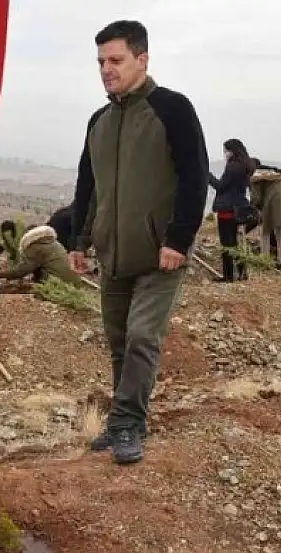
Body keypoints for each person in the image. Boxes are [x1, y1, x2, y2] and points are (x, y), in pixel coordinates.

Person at [66, 20, 208, 465]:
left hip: (160, 255)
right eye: (101, 62)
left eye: (116, 60)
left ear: (142, 59)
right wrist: (79, 241)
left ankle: (125, 424)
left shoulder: (172, 109)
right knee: (119, 340)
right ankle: (129, 419)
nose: (107, 69)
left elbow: (195, 176)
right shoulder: (99, 121)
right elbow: (87, 187)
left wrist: (178, 240)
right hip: (114, 254)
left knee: (144, 336)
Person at [208, 139, 255, 282]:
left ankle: (228, 276)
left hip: (227, 210)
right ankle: (242, 273)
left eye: (225, 151)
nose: (225, 154)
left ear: (232, 151)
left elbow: (221, 186)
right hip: (239, 209)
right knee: (236, 243)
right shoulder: (246, 166)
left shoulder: (232, 167)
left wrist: (208, 176)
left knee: (227, 244)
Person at [0, 224, 87, 288]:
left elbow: (22, 270)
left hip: (60, 284)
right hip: (75, 284)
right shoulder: (53, 243)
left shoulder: (35, 247)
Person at [249, 163, 281, 269]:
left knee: (265, 231)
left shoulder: (255, 178)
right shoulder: (274, 173)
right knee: (280, 230)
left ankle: (265, 260)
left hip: (274, 198)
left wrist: (254, 208)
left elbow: (256, 198)